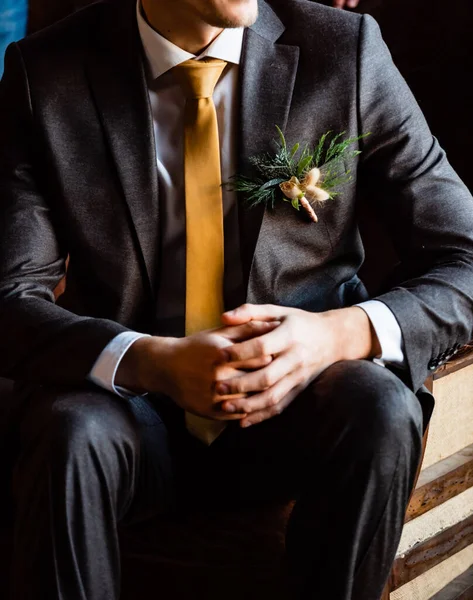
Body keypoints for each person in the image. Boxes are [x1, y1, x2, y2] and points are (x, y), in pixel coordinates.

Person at [1, 0, 473, 599]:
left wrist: (335, 335)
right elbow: (10, 296)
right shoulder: (43, 71)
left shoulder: (344, 50)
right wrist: (148, 360)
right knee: (70, 428)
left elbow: (465, 255)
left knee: (379, 407)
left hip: (300, 412)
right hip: (130, 419)